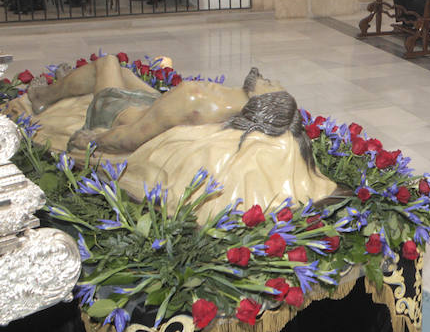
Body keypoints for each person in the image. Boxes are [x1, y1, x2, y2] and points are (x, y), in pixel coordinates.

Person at [6, 60, 336, 223]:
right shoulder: (222, 107)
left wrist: (97, 140)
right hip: (147, 102)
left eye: (273, 87)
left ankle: (41, 96)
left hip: (114, 113)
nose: (271, 79)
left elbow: (130, 137)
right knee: (119, 69)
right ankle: (49, 91)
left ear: (263, 103)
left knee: (106, 65)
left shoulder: (199, 100)